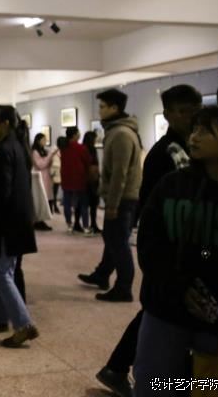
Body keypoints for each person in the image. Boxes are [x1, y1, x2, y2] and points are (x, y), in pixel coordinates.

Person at [94, 84, 201, 397]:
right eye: (184, 112)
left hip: (185, 266)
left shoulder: (188, 157)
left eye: (197, 115)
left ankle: (119, 368)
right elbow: (154, 215)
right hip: (171, 264)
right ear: (168, 114)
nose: (193, 123)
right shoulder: (166, 155)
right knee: (159, 326)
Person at [133, 105, 218, 396]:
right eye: (195, 128)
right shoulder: (173, 185)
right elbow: (150, 242)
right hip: (167, 306)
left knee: (210, 384)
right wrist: (177, 284)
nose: (194, 136)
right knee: (154, 384)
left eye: (206, 131)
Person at [0, 106, 39, 348]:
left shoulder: (4, 150)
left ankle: (23, 324)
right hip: (17, 221)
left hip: (5, 222)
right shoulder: (19, 147)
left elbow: (1, 193)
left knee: (1, 272)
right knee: (6, 271)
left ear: (4, 123)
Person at [79, 88, 143, 302]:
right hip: (122, 197)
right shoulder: (117, 131)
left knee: (119, 243)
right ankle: (102, 273)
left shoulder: (121, 134)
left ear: (115, 108)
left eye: (102, 106)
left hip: (123, 199)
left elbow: (119, 173)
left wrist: (113, 204)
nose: (99, 110)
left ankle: (124, 288)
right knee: (113, 238)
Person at [60, 127, 92, 234]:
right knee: (83, 204)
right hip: (80, 178)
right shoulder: (81, 148)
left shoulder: (63, 148)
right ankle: (86, 226)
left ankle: (69, 225)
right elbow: (88, 162)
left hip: (66, 178)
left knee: (67, 203)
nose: (79, 134)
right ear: (74, 135)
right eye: (78, 133)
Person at [31, 133, 57, 231]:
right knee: (41, 200)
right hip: (40, 177)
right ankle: (38, 221)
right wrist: (50, 155)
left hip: (46, 177)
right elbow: (41, 165)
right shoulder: (35, 152)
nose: (45, 142)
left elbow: (48, 163)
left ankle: (41, 220)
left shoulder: (43, 151)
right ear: (38, 141)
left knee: (46, 201)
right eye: (43, 140)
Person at [82, 131, 102, 234]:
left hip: (87, 179)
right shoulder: (90, 150)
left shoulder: (84, 148)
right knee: (91, 203)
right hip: (91, 179)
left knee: (86, 203)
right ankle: (92, 224)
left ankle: (89, 224)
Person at [50, 137, 63, 213]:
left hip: (58, 171)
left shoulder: (59, 150)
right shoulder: (54, 149)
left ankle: (54, 206)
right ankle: (53, 206)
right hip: (54, 171)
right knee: (53, 190)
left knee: (55, 190)